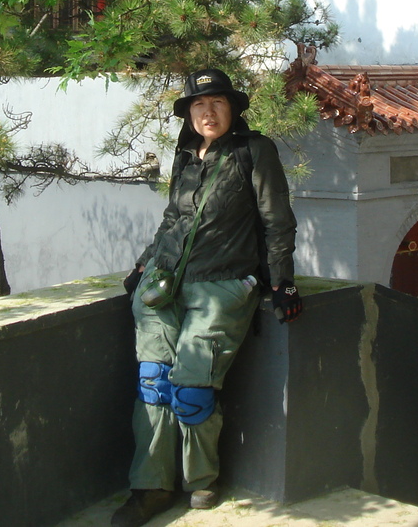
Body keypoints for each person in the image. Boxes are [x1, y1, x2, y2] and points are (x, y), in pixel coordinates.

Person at [111, 68, 303, 527]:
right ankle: (151, 488)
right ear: (189, 114)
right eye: (198, 104)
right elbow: (172, 219)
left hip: (222, 285)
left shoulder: (254, 151)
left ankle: (200, 480)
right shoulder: (184, 155)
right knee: (154, 384)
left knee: (192, 390)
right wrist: (143, 263)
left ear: (232, 108)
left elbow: (277, 221)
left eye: (217, 102)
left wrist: (283, 282)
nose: (208, 111)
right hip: (165, 284)